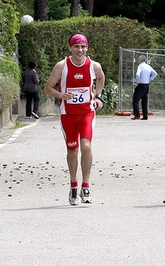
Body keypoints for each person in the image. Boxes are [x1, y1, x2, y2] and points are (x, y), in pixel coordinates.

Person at [43, 33, 105, 205]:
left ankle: (86, 185)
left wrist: (98, 97)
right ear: (70, 47)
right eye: (76, 46)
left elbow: (101, 78)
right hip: (68, 115)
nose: (80, 50)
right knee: (72, 150)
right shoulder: (62, 66)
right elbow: (47, 88)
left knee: (86, 146)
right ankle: (73, 185)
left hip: (86, 112)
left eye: (83, 46)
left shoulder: (93, 65)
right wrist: (61, 94)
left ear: (87, 48)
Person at [131, 55, 157, 120]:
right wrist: (150, 79)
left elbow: (137, 74)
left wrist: (137, 80)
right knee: (144, 101)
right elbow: (155, 73)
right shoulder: (148, 66)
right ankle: (145, 115)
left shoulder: (140, 66)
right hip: (146, 85)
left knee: (135, 100)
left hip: (141, 85)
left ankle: (137, 115)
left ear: (140, 60)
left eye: (138, 59)